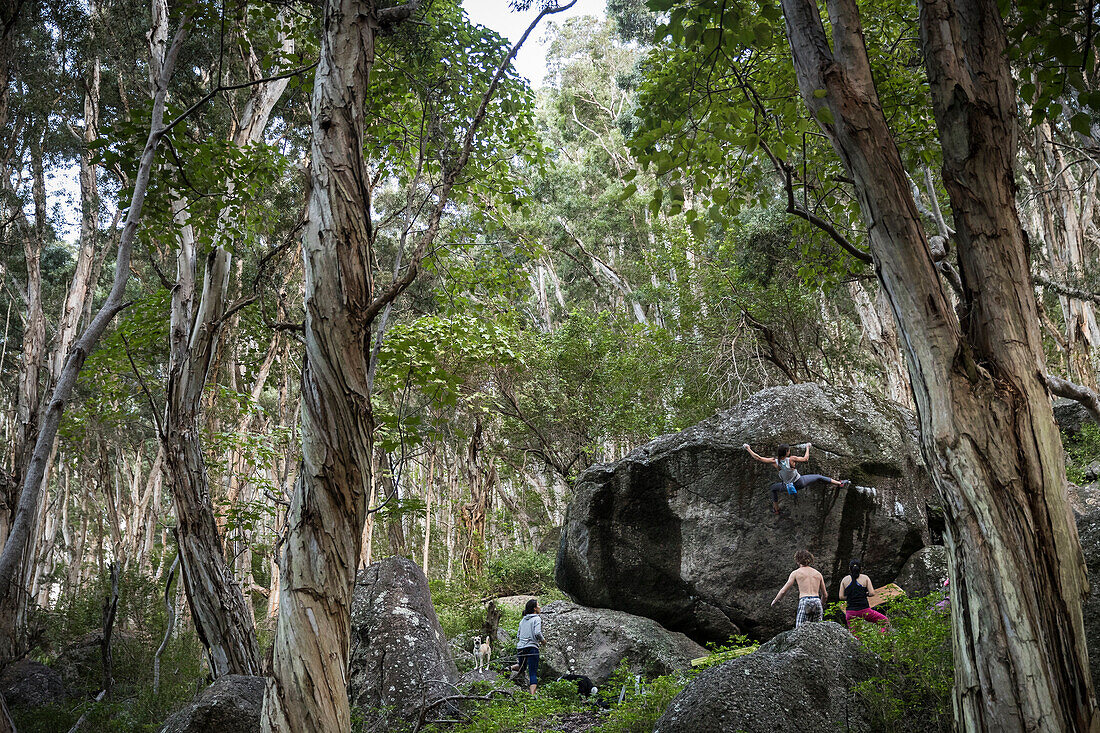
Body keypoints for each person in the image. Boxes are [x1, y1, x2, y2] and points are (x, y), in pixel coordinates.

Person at [744, 442, 851, 514]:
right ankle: (839, 483)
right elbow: (806, 459)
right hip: (799, 482)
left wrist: (748, 448)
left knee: (773, 488)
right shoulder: (792, 459)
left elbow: (758, 458)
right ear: (787, 452)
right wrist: (807, 448)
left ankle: (776, 510)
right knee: (818, 477)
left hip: (787, 486)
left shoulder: (775, 461)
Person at [771, 549, 828, 627]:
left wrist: (775, 600)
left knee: (800, 629)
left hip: (805, 600)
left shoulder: (796, 573)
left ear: (797, 560)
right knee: (817, 629)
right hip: (816, 600)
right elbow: (825, 595)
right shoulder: (818, 574)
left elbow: (783, 591)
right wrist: (820, 604)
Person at [840, 558, 888, 631]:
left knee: (855, 634)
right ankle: (883, 638)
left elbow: (841, 597)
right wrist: (865, 594)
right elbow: (872, 593)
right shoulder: (865, 578)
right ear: (860, 568)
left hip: (850, 612)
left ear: (850, 569)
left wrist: (851, 596)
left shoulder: (844, 579)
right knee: (884, 621)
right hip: (864, 610)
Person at [514, 598, 544, 694]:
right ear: (535, 609)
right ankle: (532, 697)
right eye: (538, 605)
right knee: (532, 672)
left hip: (521, 648)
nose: (540, 607)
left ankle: (508, 668)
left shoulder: (523, 620)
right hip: (532, 648)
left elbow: (518, 635)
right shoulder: (537, 618)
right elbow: (537, 633)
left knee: (522, 667)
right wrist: (543, 641)